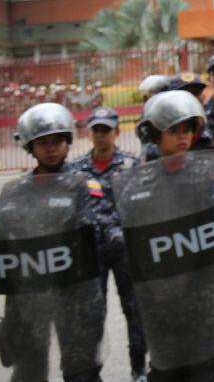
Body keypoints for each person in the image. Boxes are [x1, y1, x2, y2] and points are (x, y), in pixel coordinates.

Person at [120, 91, 214, 382]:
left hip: (204, 295)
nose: (183, 137)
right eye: (174, 131)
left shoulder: (208, 175)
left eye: (187, 129)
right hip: (164, 298)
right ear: (155, 135)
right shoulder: (139, 183)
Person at [0, 102, 120, 382]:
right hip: (28, 296)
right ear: (29, 146)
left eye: (58, 140)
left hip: (76, 294)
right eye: (43, 142)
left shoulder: (82, 184)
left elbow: (97, 229)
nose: (51, 148)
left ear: (68, 142)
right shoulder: (13, 192)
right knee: (28, 372)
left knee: (81, 371)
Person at [69, 107, 149, 378]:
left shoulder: (131, 165)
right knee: (92, 314)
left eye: (106, 130)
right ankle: (92, 370)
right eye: (97, 130)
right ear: (90, 133)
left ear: (116, 132)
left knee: (135, 310)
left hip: (126, 251)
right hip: (92, 253)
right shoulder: (76, 170)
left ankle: (138, 366)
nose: (101, 135)